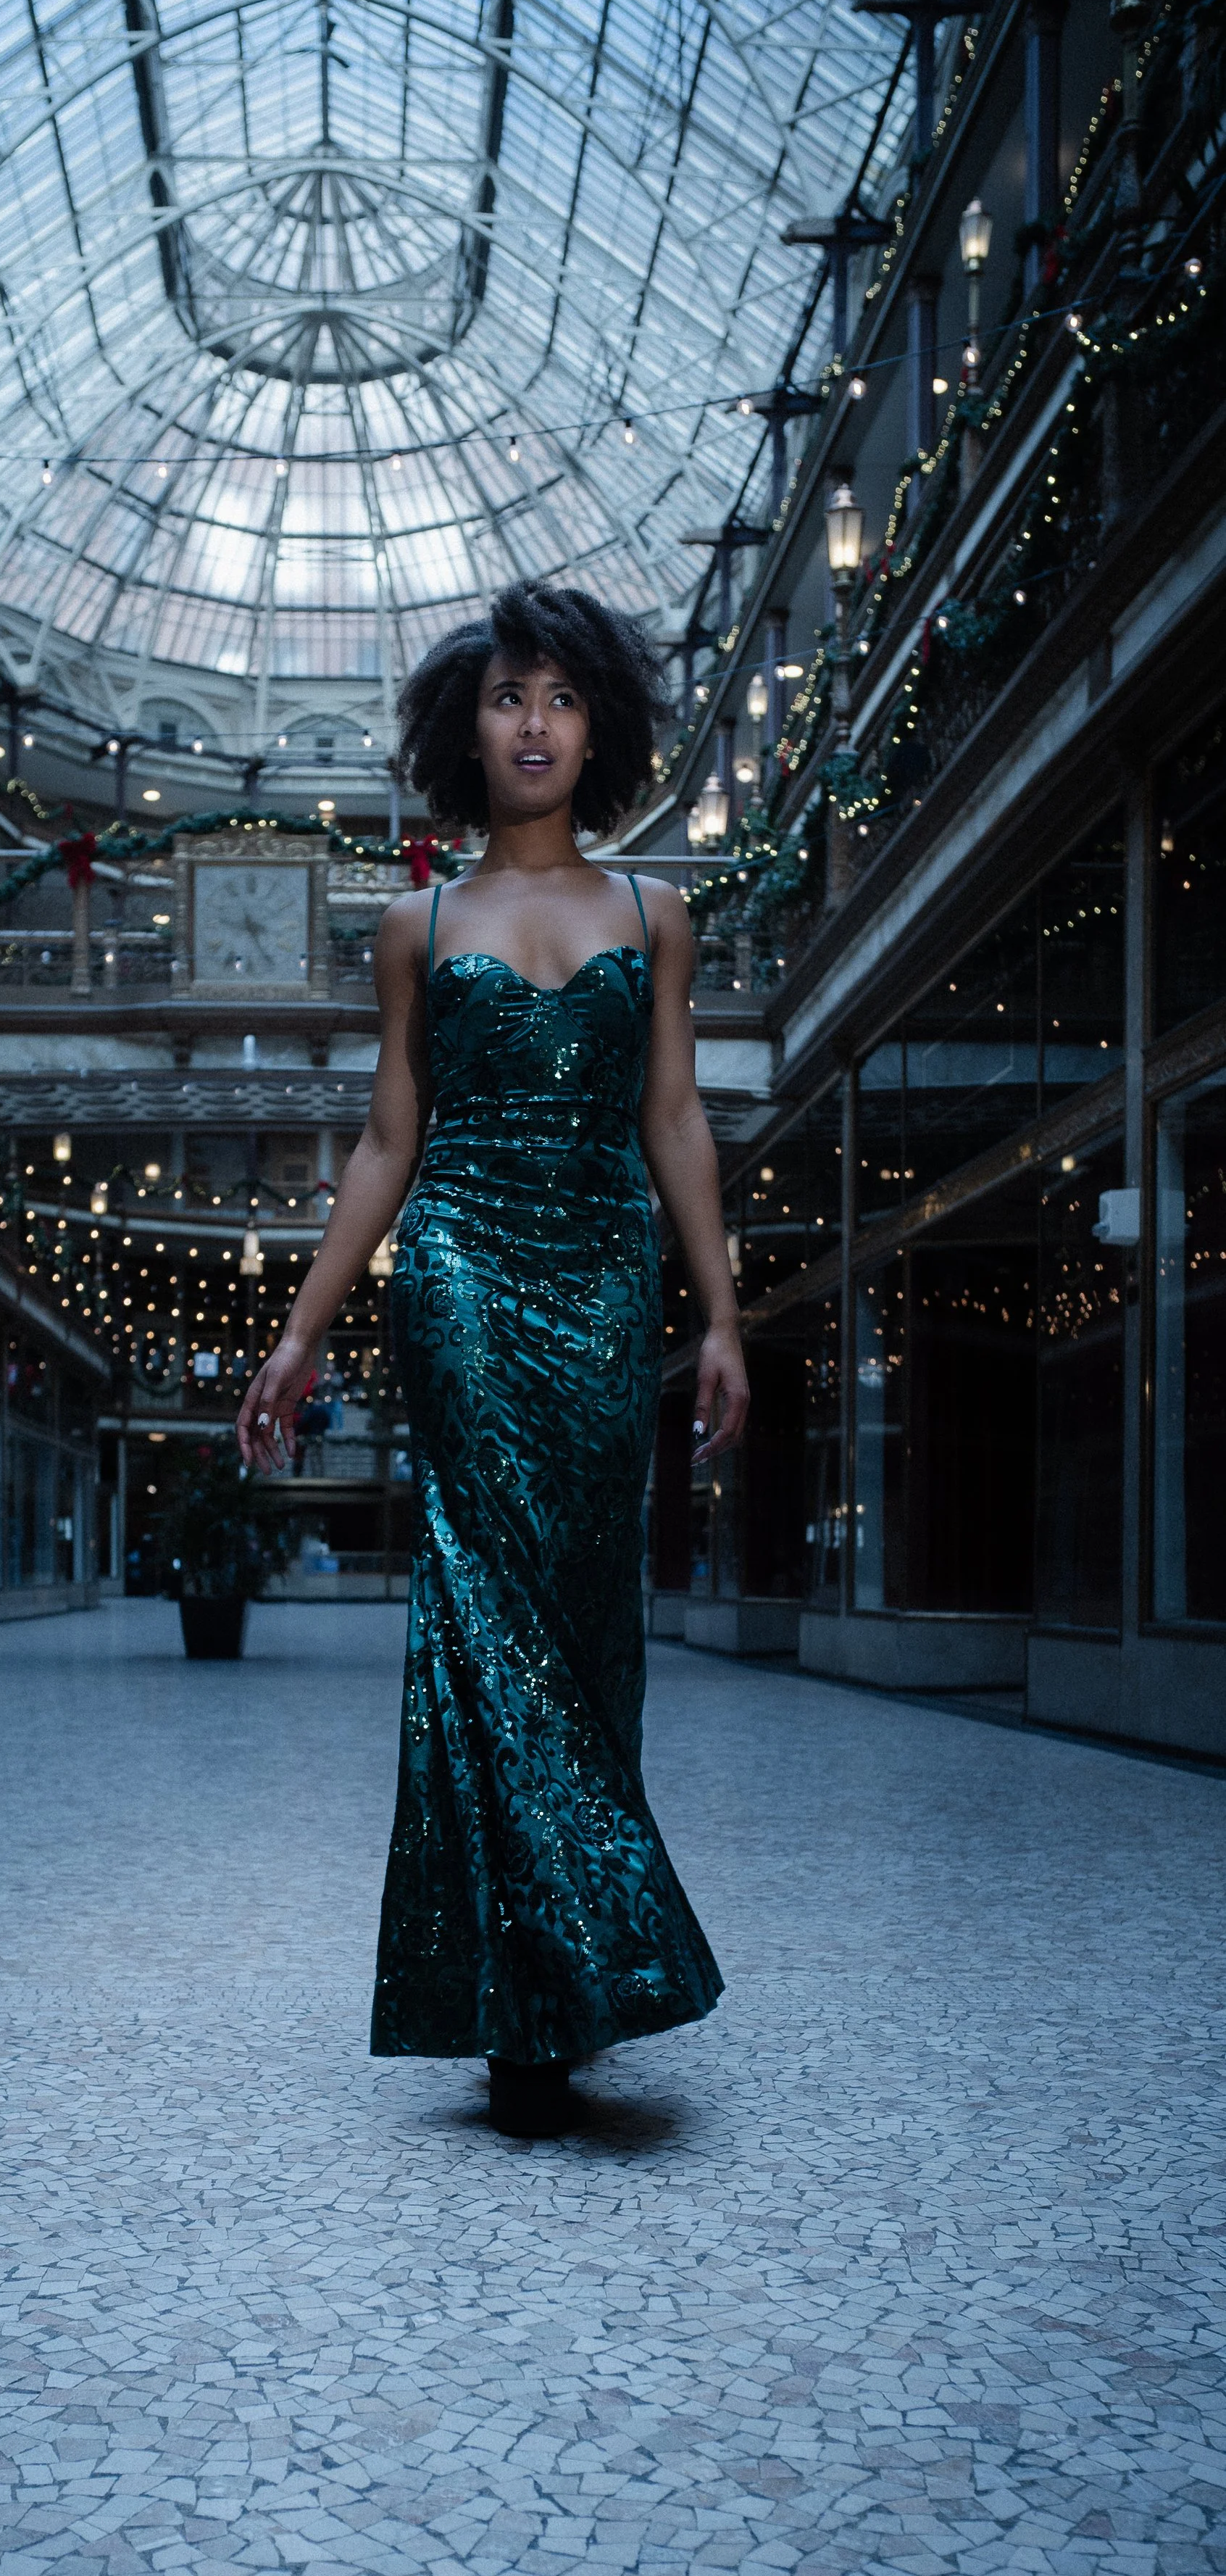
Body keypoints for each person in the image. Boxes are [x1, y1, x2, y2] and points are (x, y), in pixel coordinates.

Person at [238, 579, 748, 2138]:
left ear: (600, 728)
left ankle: (557, 1969)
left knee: (584, 1611)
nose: (532, 722)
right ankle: (547, 1986)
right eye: (505, 696)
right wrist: (303, 1325)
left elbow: (671, 1114)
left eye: (560, 698)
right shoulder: (416, 926)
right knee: (476, 1603)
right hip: (455, 1271)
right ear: (464, 728)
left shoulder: (655, 913)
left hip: (599, 1282)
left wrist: (722, 1314)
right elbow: (393, 1139)